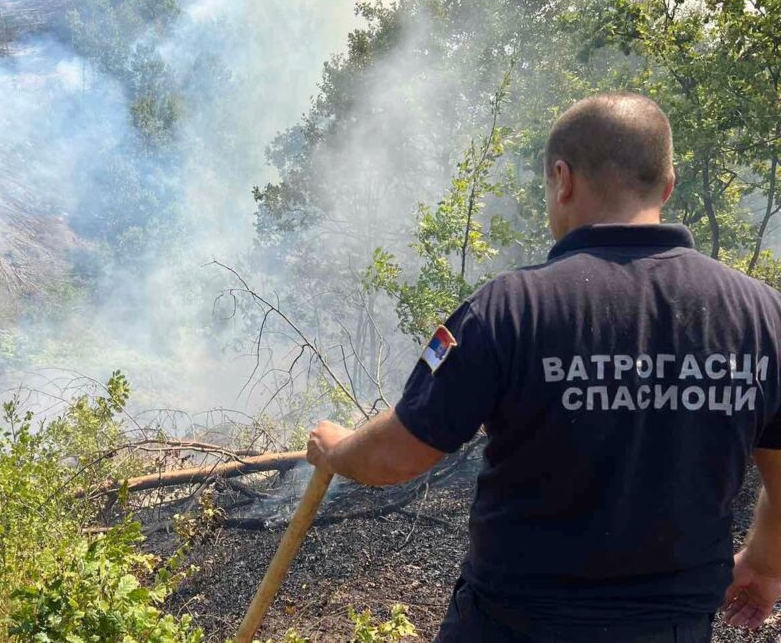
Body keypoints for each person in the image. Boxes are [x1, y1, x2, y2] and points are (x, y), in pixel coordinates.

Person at [306, 92, 781, 642]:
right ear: (667, 185)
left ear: (563, 178)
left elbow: (395, 457)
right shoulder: (762, 315)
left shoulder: (508, 309)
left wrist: (337, 448)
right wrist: (766, 564)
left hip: (513, 627)